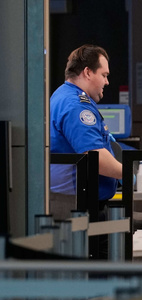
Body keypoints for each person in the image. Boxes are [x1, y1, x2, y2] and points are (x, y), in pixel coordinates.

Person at [49, 44, 124, 223]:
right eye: (104, 75)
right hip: (78, 205)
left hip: (68, 199)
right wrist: (126, 172)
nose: (107, 82)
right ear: (88, 72)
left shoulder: (62, 95)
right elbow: (94, 155)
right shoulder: (76, 105)